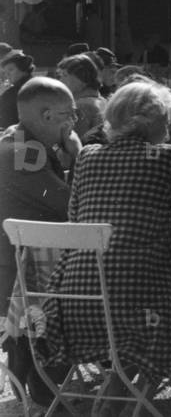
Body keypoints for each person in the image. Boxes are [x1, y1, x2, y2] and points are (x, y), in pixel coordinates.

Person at [39, 81, 171, 405]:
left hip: (74, 301)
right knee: (153, 310)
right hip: (140, 307)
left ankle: (115, 397)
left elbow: (76, 219)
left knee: (126, 306)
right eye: (168, 118)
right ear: (158, 121)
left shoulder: (88, 156)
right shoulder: (169, 157)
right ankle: (131, 400)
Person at [0, 77, 78, 407]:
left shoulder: (14, 139)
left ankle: (36, 380)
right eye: (70, 114)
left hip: (23, 261)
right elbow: (68, 203)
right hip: (21, 270)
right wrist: (78, 155)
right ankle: (39, 385)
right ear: (48, 116)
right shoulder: (25, 152)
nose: (74, 121)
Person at [56, 53, 106, 139]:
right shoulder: (102, 101)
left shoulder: (81, 106)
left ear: (82, 77)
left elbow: (71, 142)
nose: (60, 80)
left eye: (64, 75)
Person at [0, 50, 34, 128]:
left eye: (10, 69)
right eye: (5, 72)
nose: (7, 74)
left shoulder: (12, 93)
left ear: (24, 69)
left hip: (17, 135)